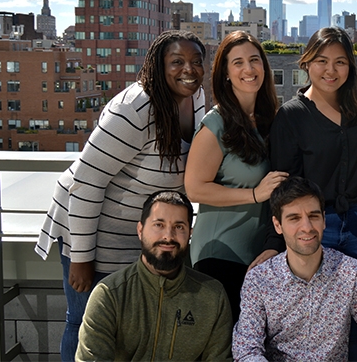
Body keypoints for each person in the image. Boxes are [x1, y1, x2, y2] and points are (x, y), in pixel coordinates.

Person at [35, 30, 207, 361]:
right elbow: (86, 183)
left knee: (128, 328)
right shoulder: (135, 109)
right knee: (85, 324)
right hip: (93, 232)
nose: (189, 69)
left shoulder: (195, 98)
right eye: (177, 61)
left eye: (196, 61)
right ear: (158, 65)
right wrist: (82, 258)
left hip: (140, 234)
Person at [185, 31, 287, 320]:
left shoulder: (271, 120)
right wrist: (255, 194)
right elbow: (194, 188)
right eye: (238, 62)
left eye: (254, 60)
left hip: (261, 253)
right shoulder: (216, 123)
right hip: (221, 253)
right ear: (226, 73)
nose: (248, 69)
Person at [232, 177, 357, 361]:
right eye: (294, 218)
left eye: (313, 216)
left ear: (324, 220)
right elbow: (246, 349)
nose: (307, 227)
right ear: (278, 225)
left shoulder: (350, 271)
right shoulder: (259, 280)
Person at [269, 26, 357, 277]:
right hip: (314, 225)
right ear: (307, 63)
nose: (331, 70)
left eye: (340, 62)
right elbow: (284, 186)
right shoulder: (292, 115)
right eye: (322, 61)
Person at [76, 191, 232, 361]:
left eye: (179, 227)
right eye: (159, 225)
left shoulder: (212, 297)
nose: (168, 236)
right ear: (140, 230)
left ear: (190, 233)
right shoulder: (109, 294)